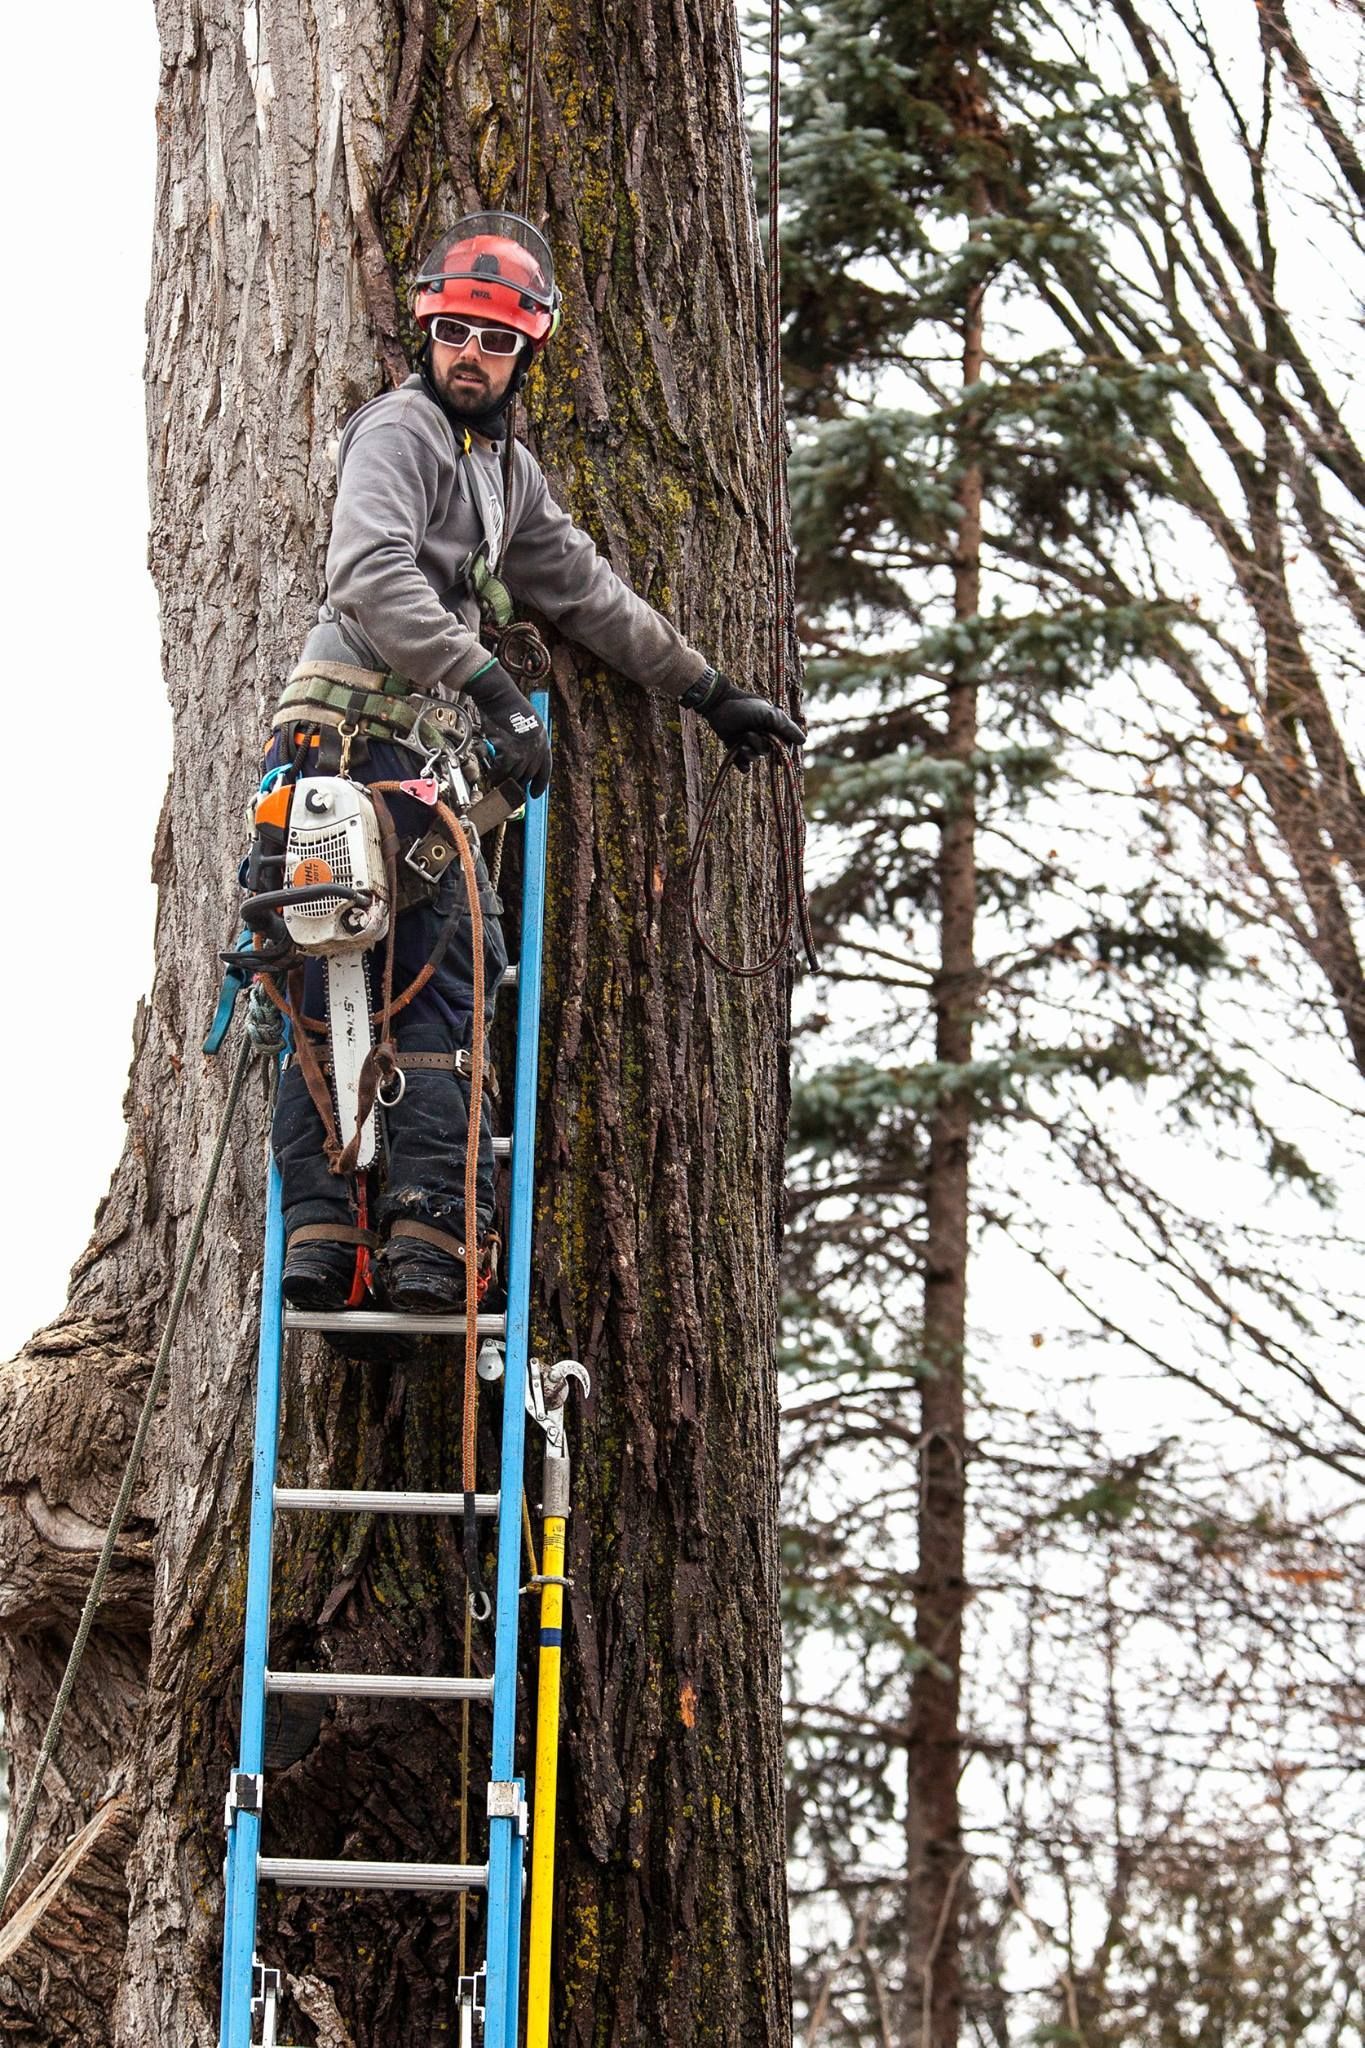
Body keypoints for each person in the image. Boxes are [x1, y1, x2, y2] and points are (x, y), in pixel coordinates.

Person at [264, 210, 803, 1312]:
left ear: (526, 355)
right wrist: (492, 687)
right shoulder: (400, 431)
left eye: (494, 340)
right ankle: (330, 1234)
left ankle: (417, 1242)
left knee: (432, 981)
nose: (470, 354)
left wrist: (706, 690)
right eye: (455, 331)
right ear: (427, 330)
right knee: (346, 974)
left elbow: (587, 591)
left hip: (412, 754)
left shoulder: (506, 473)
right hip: (349, 739)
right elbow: (371, 571)